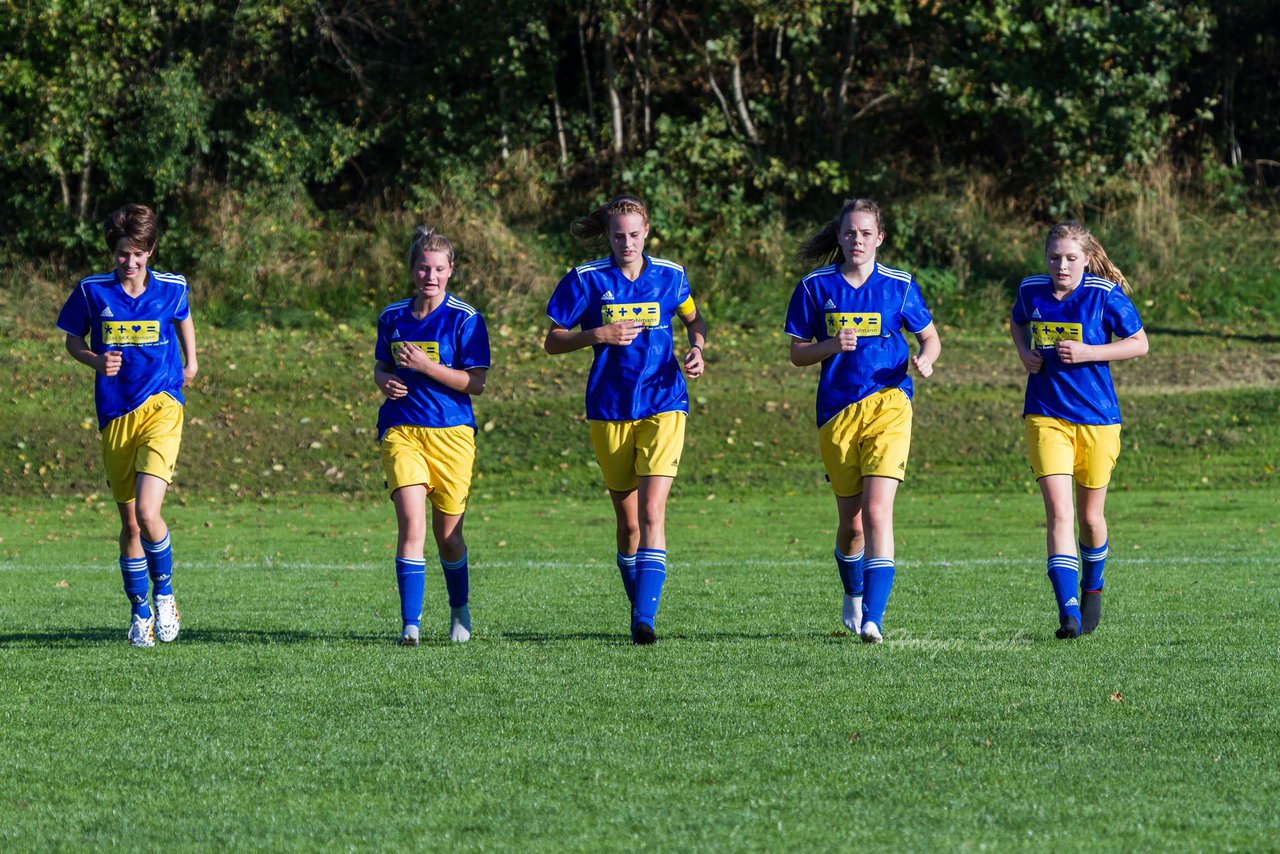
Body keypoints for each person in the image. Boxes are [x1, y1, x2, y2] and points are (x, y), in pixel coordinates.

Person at [544, 195, 707, 645]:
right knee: (629, 521)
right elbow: (552, 341)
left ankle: (645, 620)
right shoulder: (585, 279)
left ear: (647, 232)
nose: (627, 242)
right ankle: (639, 609)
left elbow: (695, 320)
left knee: (653, 511)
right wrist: (597, 334)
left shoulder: (670, 276)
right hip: (609, 407)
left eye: (634, 234)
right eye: (619, 235)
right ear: (609, 236)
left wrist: (697, 350)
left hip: (664, 402)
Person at [785, 198, 940, 643]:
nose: (857, 240)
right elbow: (797, 353)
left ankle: (874, 618)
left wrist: (925, 360)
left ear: (880, 238)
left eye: (866, 233)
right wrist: (831, 345)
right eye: (850, 233)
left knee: (877, 511)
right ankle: (853, 595)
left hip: (890, 403)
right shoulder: (815, 287)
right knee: (852, 525)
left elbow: (930, 339)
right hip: (836, 411)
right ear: (839, 236)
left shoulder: (900, 285)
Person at [56, 204, 198, 647]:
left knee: (147, 511)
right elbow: (72, 339)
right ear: (112, 254)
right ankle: (139, 613)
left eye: (138, 254)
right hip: (115, 414)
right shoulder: (91, 291)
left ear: (150, 250)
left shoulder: (171, 287)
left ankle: (166, 595)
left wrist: (192, 361)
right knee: (130, 524)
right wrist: (96, 360)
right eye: (122, 254)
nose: (130, 263)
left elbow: (183, 317)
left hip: (162, 406)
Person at [1011, 221, 1148, 639]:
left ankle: (1092, 586)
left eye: (1071, 258)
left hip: (1097, 418)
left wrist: (1090, 351)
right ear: (1045, 257)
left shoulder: (1104, 295)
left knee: (1090, 518)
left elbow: (1139, 342)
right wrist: (1023, 353)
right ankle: (1067, 612)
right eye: (1055, 257)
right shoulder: (1031, 290)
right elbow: (1017, 322)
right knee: (1060, 513)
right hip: (1045, 413)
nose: (1062, 266)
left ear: (1086, 259)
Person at [374, 227, 490, 646]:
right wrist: (385, 382)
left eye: (439, 268)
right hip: (402, 430)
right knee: (411, 526)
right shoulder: (393, 316)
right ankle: (410, 626)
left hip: (453, 435)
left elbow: (474, 383)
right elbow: (381, 368)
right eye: (424, 267)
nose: (431, 275)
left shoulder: (466, 319)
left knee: (448, 536)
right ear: (412, 270)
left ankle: (459, 610)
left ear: (451, 270)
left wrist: (425, 366)